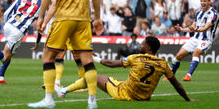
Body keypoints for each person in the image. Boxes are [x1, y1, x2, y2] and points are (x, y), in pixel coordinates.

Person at [27, 0, 103, 109]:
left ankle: (48, 99)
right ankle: (92, 100)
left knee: (48, 55)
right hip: (83, 18)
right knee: (86, 58)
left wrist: (40, 17)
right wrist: (97, 17)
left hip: (63, 17)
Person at [57, 36, 198, 102]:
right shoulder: (163, 64)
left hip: (124, 93)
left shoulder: (136, 58)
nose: (140, 44)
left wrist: (91, 56)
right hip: (144, 98)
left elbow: (110, 63)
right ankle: (64, 90)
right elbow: (177, 85)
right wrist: (187, 99)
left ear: (148, 47)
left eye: (143, 43)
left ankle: (63, 91)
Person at [163, 0, 219, 82]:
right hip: (195, 39)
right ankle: (171, 76)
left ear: (209, 1)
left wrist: (196, 29)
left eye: (204, 1)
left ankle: (188, 75)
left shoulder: (213, 14)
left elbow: (206, 27)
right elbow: (192, 27)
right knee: (178, 56)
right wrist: (182, 29)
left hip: (206, 40)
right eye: (201, 1)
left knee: (196, 52)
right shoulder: (199, 13)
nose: (202, 3)